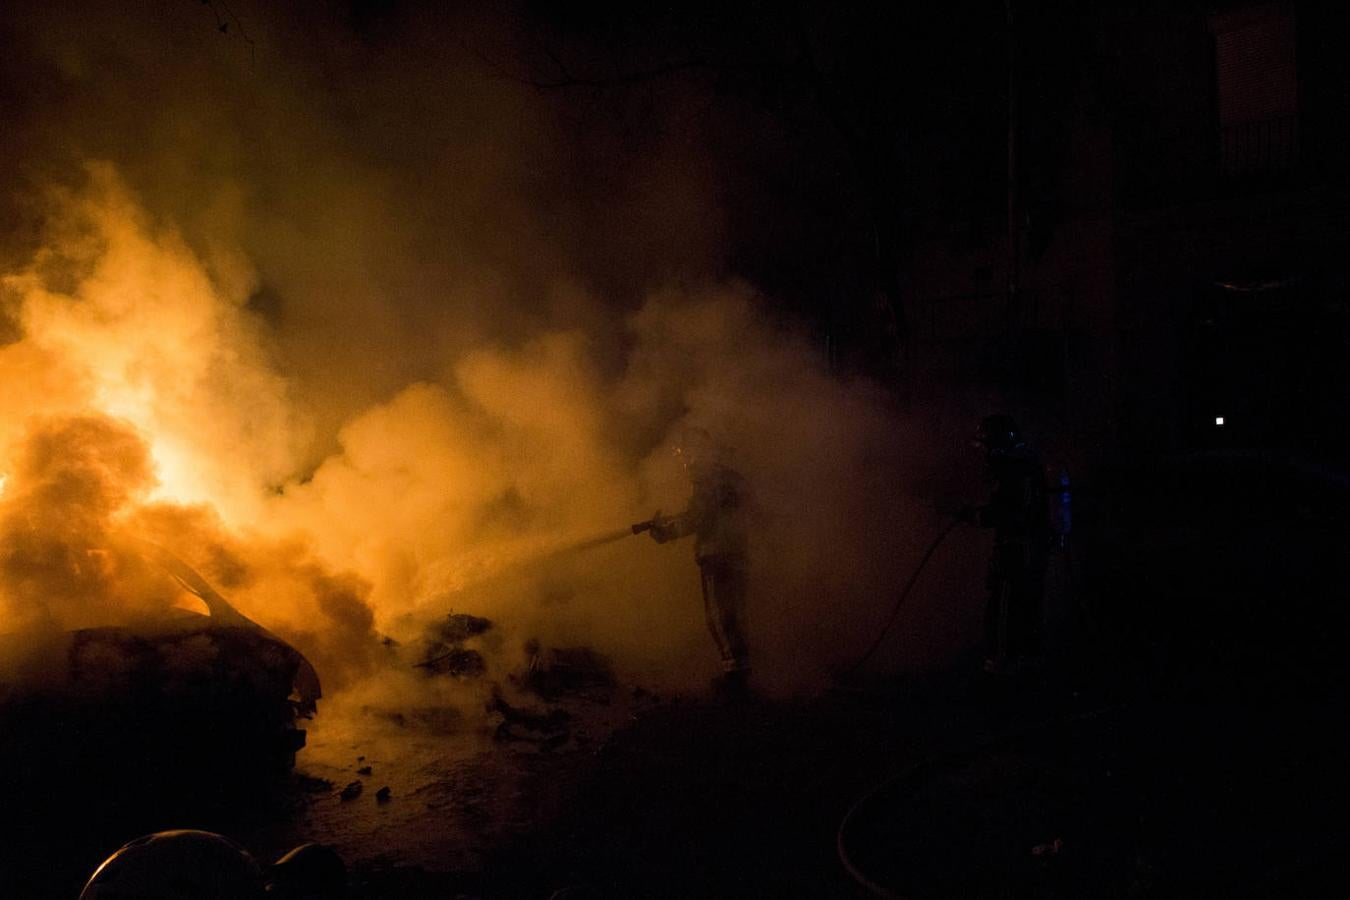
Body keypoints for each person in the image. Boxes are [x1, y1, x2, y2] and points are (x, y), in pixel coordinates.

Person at [643, 429, 752, 692]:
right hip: (736, 554)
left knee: (719, 616)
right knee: (733, 615)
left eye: (685, 454)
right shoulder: (728, 478)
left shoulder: (707, 480)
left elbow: (699, 518)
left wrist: (666, 532)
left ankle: (736, 678)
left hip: (716, 555)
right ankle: (742, 671)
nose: (683, 462)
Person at [960, 414, 1050, 674]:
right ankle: (1026, 663)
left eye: (987, 446)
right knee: (1026, 606)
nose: (984, 454)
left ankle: (1002, 664)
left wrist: (973, 515)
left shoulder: (1014, 468)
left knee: (1005, 605)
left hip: (1017, 551)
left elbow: (1010, 513)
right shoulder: (1026, 465)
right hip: (1029, 548)